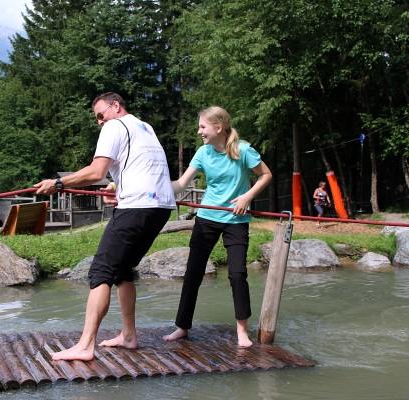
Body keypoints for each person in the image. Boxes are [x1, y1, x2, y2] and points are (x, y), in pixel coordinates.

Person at [34, 92, 176, 361]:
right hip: (161, 208)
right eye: (97, 118)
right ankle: (129, 335)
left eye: (101, 114)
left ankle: (86, 345)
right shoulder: (145, 127)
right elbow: (140, 167)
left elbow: (95, 172)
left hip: (136, 207)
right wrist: (118, 185)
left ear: (116, 106)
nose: (99, 122)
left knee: (100, 270)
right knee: (123, 270)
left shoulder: (115, 125)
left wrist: (58, 183)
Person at [162, 106, 272, 348]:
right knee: (193, 273)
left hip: (236, 220)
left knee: (237, 274)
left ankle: (242, 331)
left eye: (203, 126)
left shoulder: (242, 150)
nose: (199, 131)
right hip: (207, 218)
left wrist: (247, 197)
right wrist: (147, 186)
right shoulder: (202, 153)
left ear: (218, 128)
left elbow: (266, 175)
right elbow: (180, 185)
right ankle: (182, 327)